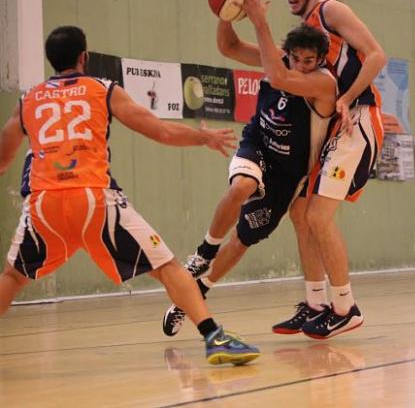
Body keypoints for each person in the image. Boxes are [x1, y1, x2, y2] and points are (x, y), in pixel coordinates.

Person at [0, 26, 260, 365]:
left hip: (43, 203)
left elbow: (4, 157)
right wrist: (203, 138)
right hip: (94, 198)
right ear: (84, 57)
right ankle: (214, 336)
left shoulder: (28, 99)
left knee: (14, 277)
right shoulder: (103, 90)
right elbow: (161, 131)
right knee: (168, 267)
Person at [160, 0, 337, 335]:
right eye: (295, 58)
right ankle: (202, 253)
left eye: (308, 60)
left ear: (320, 60)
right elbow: (228, 45)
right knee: (241, 186)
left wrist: (258, 20)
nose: (300, 65)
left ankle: (196, 293)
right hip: (257, 143)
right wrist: (225, 14)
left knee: (243, 238)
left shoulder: (322, 83)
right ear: (288, 53)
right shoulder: (278, 61)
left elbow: (282, 78)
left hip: (289, 173)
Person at [275, 0, 386, 338]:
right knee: (301, 212)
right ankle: (316, 302)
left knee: (318, 216)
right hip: (340, 123)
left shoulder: (329, 11)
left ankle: (345, 307)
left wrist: (346, 97)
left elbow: (376, 56)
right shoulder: (303, 35)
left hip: (358, 119)